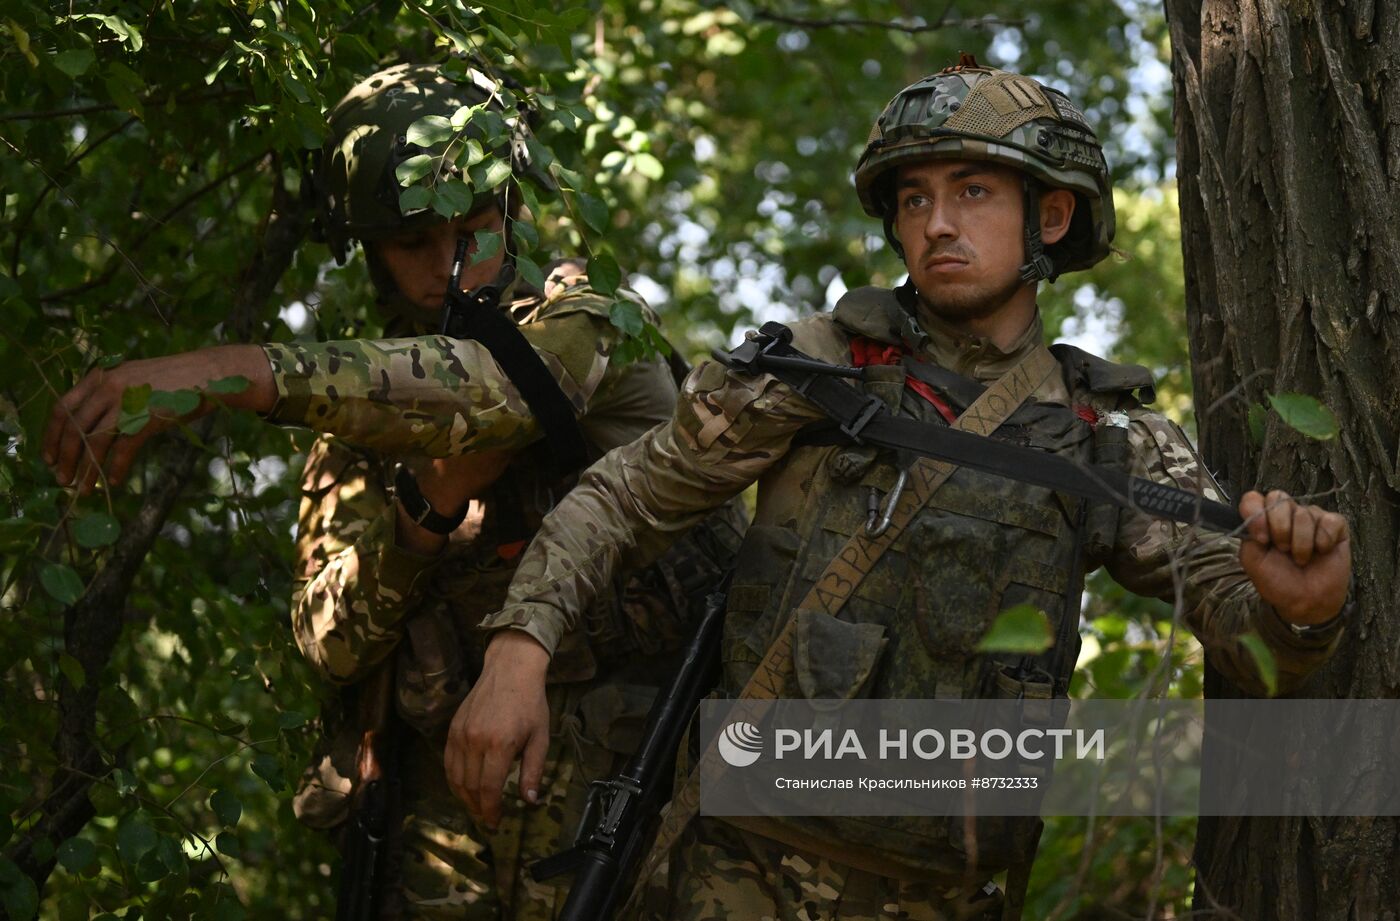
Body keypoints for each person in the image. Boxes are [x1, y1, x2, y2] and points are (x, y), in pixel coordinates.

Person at [444, 57, 1353, 919]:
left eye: (973, 191)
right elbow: (625, 496)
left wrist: (1299, 615)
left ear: (1051, 217)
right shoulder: (816, 372)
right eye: (915, 198)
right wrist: (519, 647)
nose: (936, 224)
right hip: (736, 878)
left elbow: (1242, 625)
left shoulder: (1103, 436)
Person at [42, 63, 745, 919]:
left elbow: (497, 389)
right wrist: (425, 511)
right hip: (446, 826)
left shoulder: (590, 326)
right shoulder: (353, 423)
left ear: (510, 218)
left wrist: (230, 371)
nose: (449, 264)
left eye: (473, 230)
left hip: (641, 787)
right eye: (415, 244)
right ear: (373, 252)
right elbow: (326, 642)